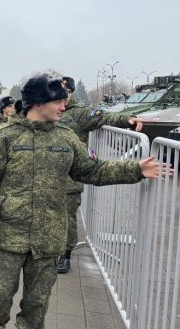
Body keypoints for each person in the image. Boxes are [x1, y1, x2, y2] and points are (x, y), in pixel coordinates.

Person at [0, 74, 160, 329]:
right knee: (0, 293)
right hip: (9, 233)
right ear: (38, 103)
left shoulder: (66, 137)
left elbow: (92, 170)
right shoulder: (5, 136)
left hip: (49, 235)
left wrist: (134, 169)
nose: (64, 104)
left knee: (37, 299)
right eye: (58, 100)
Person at [56, 76, 143, 274]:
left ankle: (65, 254)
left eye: (66, 93)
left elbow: (103, 116)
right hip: (50, 174)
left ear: (71, 93)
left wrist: (127, 120)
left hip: (71, 176)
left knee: (68, 217)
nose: (63, 98)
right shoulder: (50, 109)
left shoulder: (80, 113)